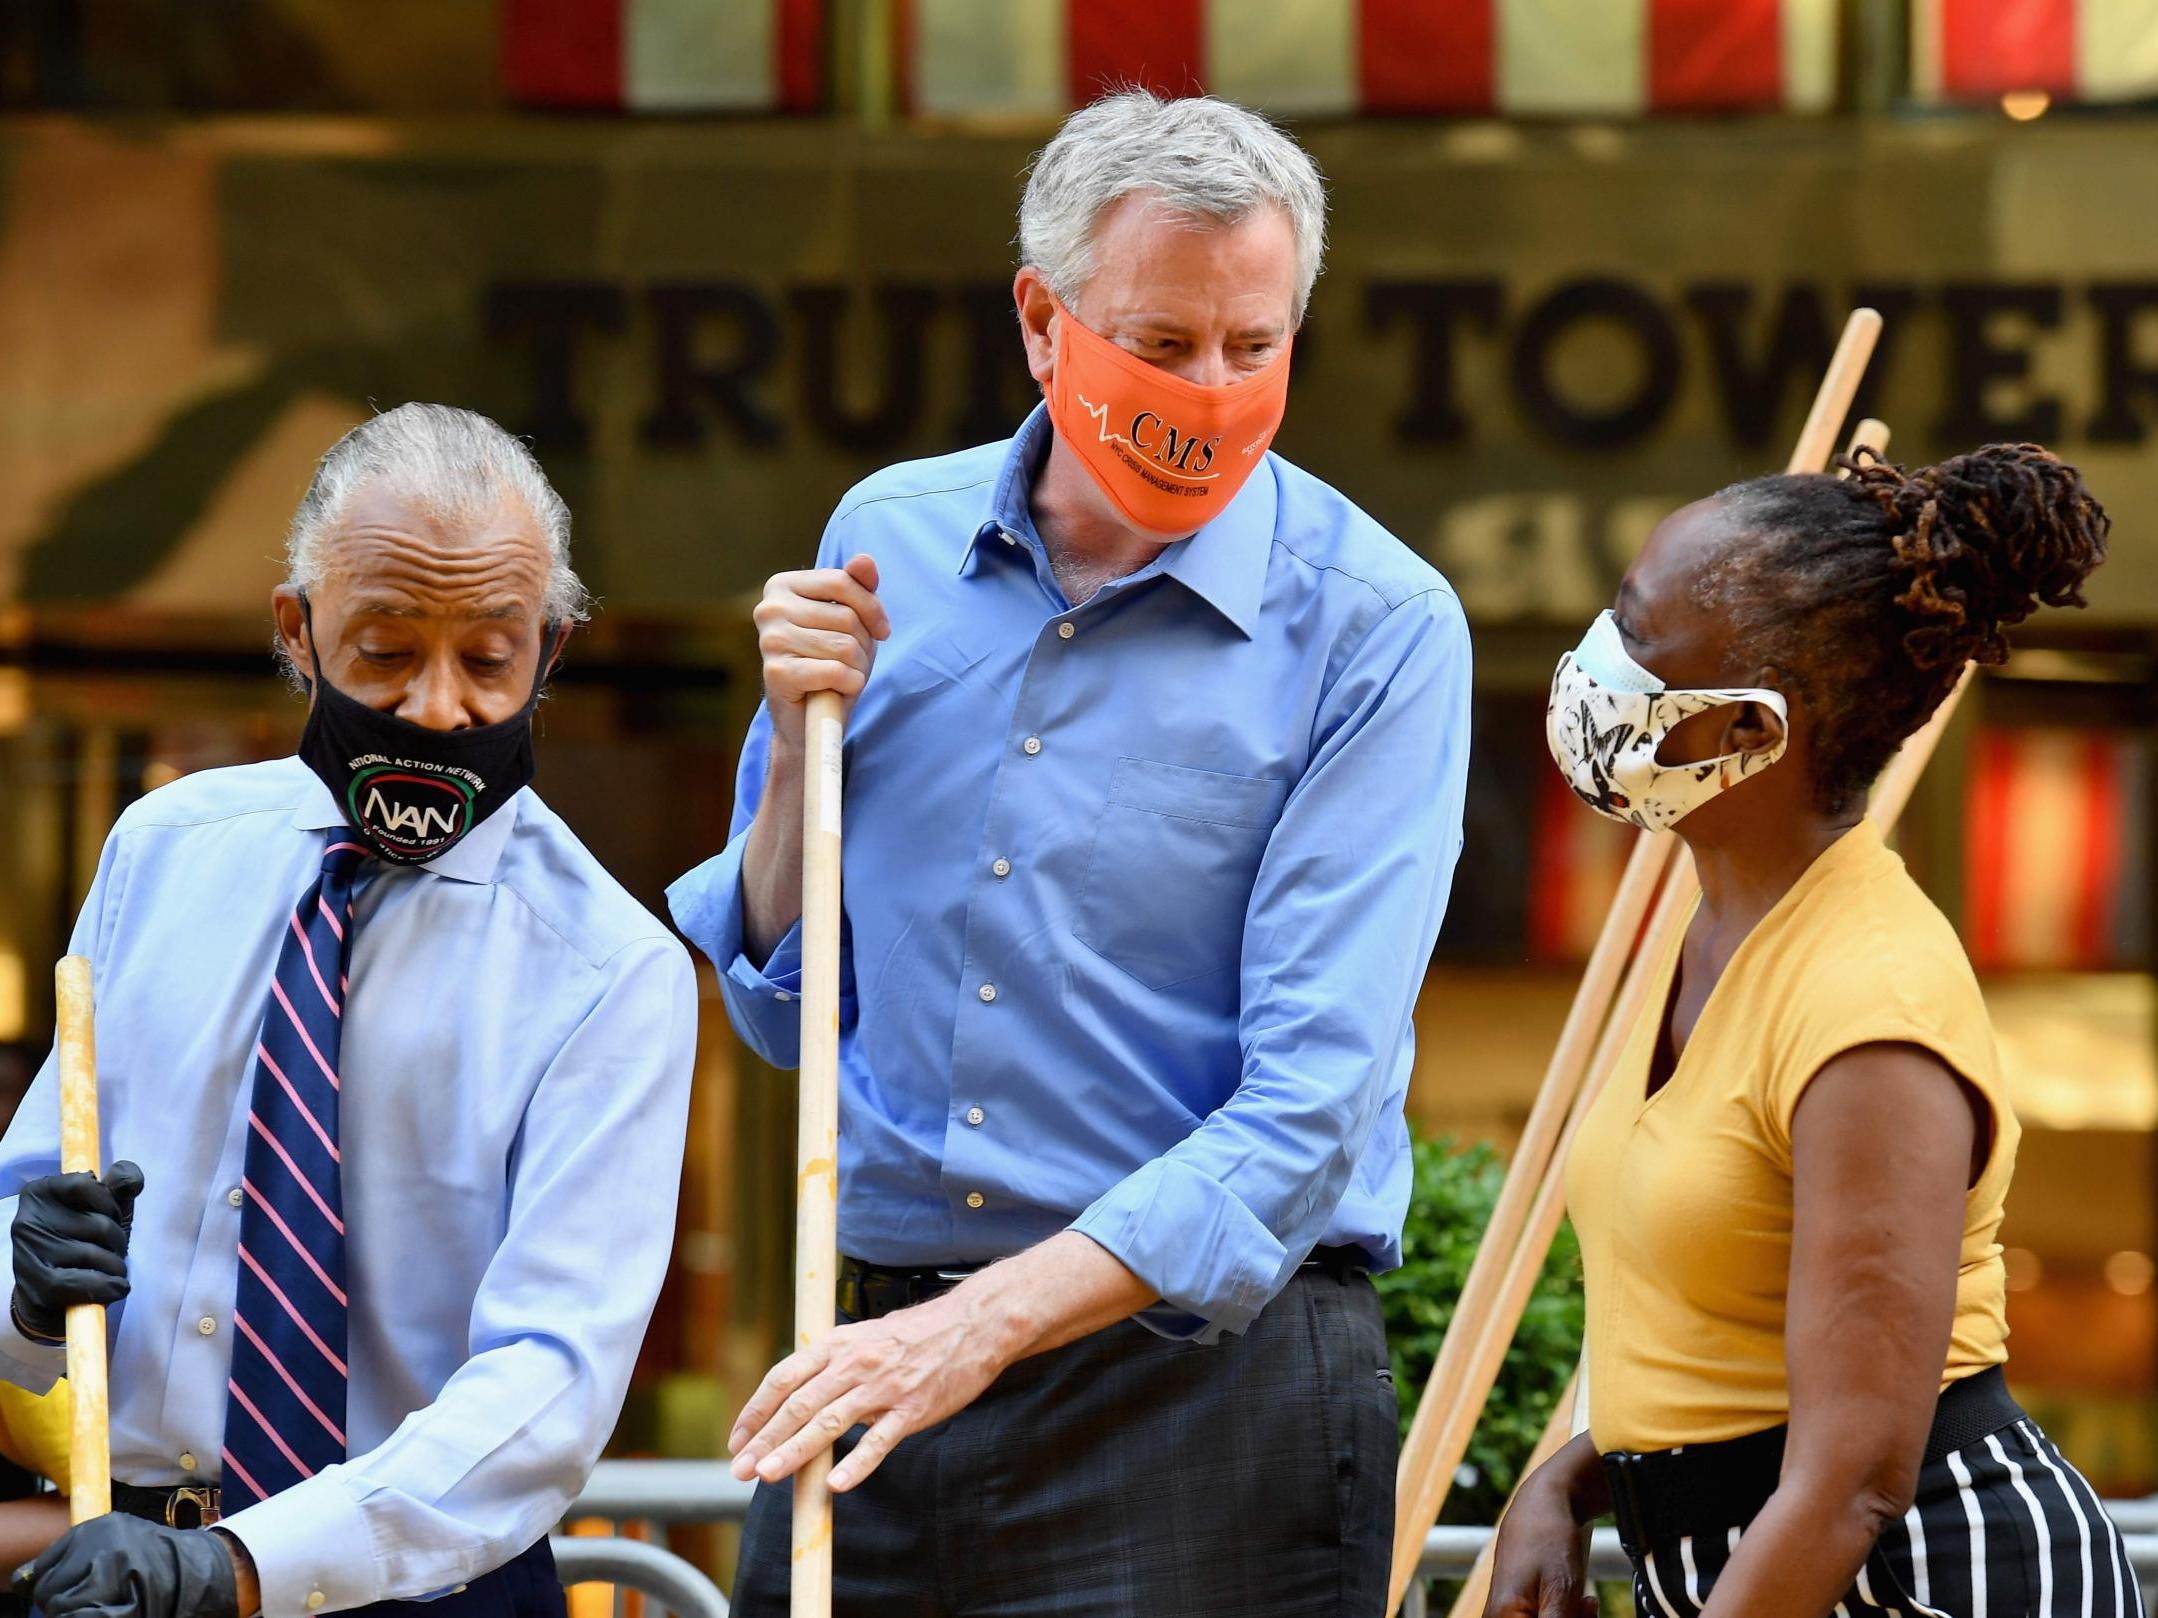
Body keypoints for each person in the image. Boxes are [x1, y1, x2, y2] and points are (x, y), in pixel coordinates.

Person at [668, 89, 1472, 1616]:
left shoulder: (1377, 625)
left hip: (1201, 1390)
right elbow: (779, 1005)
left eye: (1256, 346)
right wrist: (790, 747)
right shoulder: (884, 538)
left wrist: (976, 1328)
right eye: (1163, 344)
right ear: (1043, 320)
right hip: (882, 1364)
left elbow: (1308, 1108)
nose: (1212, 391)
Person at [0, 404, 698, 1618]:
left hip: (424, 1585)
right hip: (110, 1571)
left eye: (489, 657)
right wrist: (21, 1290)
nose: (437, 707)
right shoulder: (163, 852)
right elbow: (31, 1214)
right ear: (299, 632)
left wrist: (239, 1569)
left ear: (553, 649)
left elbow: (547, 1383)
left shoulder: (610, 971)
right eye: (385, 649)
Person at [1494, 444, 2132, 1618]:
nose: (1594, 662)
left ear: (1743, 729)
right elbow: (1716, 1348)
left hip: (1909, 1576)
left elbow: (1851, 1479)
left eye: (1635, 637)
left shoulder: (1868, 1006)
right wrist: (1566, 1482)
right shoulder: (1698, 916)